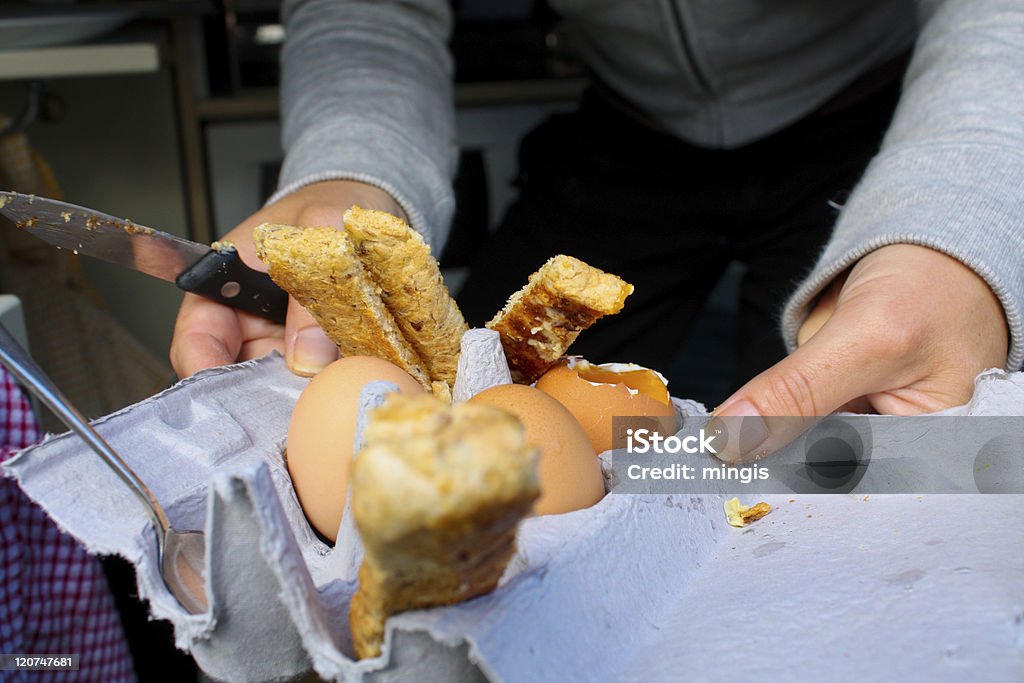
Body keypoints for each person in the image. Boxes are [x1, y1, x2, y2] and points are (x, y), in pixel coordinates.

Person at [172, 0, 1020, 461]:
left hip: (887, 118)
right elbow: (373, 12)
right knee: (488, 390)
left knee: (865, 444)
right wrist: (346, 168)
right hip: (629, 125)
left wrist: (955, 222)